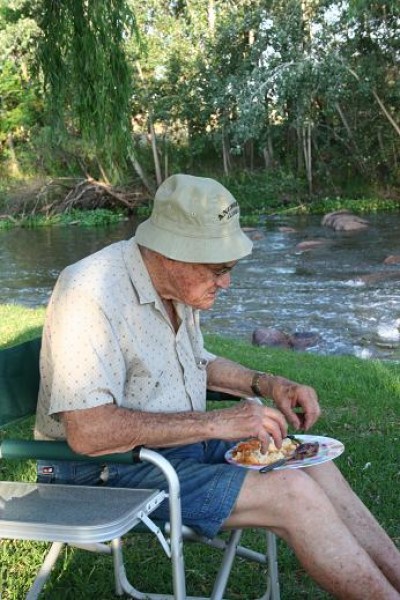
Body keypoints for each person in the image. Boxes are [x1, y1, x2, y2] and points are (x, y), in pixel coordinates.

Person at [35, 174, 400, 599]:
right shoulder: (89, 291)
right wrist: (215, 423)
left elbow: (197, 362)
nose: (226, 282)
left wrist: (266, 383)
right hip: (103, 472)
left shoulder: (174, 284)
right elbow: (89, 432)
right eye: (219, 269)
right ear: (171, 254)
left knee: (311, 460)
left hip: (172, 450)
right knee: (293, 493)